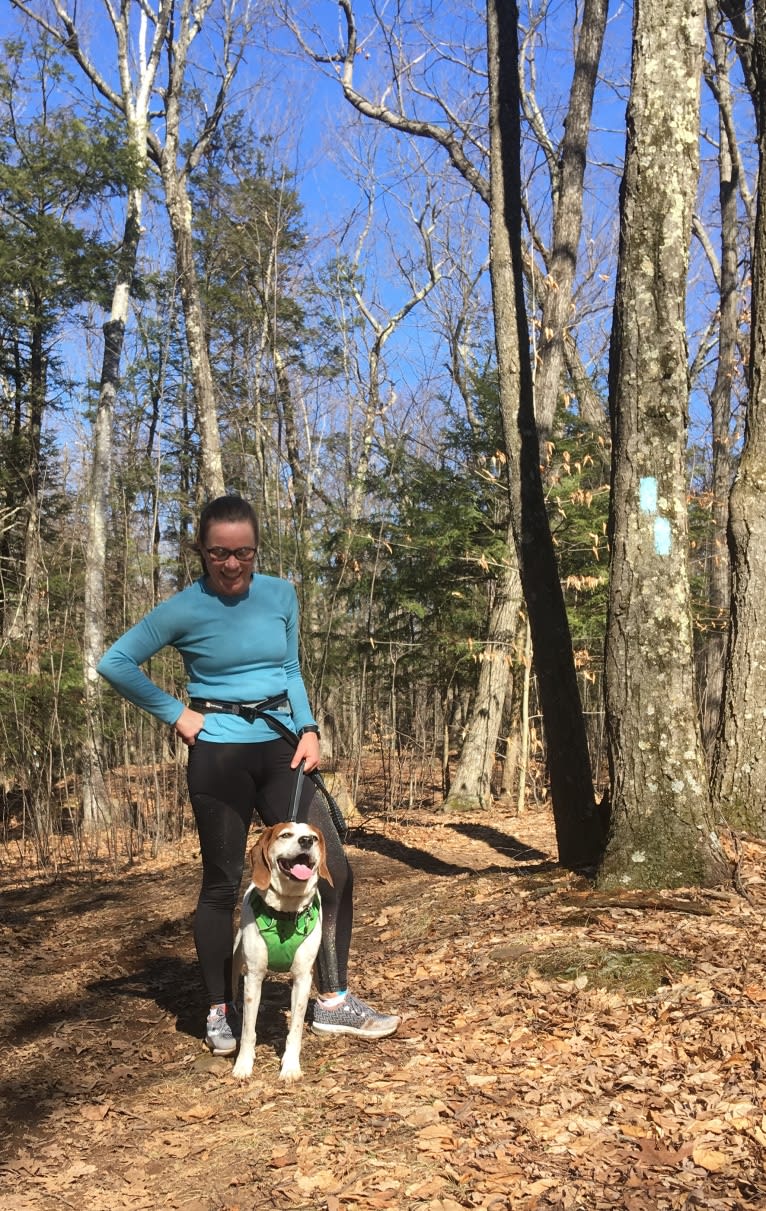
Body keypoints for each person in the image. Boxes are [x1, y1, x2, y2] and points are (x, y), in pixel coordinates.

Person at [97, 494, 400, 1055]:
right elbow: (114, 661)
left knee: (330, 869)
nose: (232, 565)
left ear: (257, 548)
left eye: (244, 553)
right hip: (219, 754)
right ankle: (220, 1010)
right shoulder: (183, 608)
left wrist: (307, 727)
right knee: (221, 884)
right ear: (202, 551)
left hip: (283, 748)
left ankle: (332, 1001)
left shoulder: (281, 594)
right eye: (219, 553)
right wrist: (178, 714)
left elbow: (290, 667)